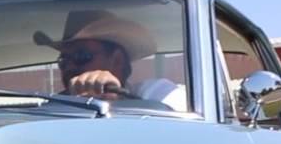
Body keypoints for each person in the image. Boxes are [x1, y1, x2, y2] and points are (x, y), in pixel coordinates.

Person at [33, 10, 187, 111]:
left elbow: (179, 122)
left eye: (81, 56)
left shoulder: (153, 92)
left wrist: (117, 99)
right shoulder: (50, 109)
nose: (69, 67)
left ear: (117, 60)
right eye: (63, 61)